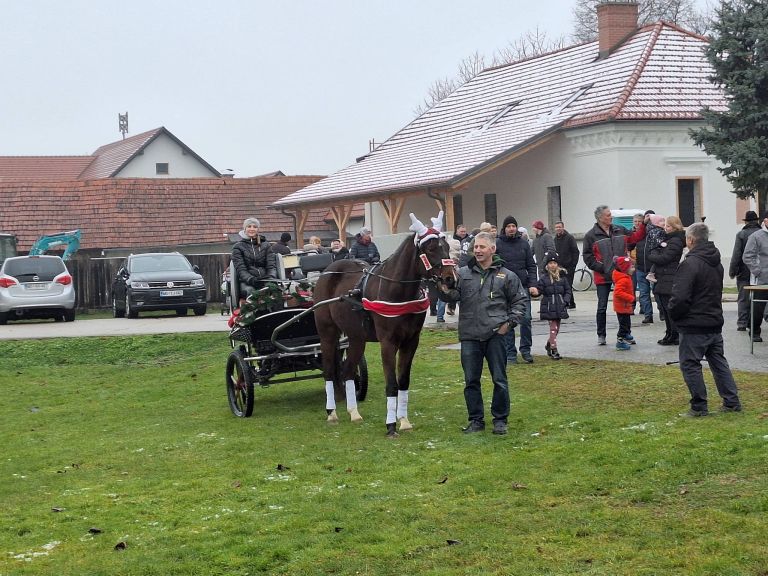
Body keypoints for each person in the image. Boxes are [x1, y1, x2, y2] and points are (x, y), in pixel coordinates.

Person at [438, 232, 527, 435]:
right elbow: (453, 296)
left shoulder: (507, 275)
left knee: (499, 379)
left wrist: (508, 324)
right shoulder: (463, 274)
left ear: (492, 250)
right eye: (475, 247)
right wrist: (443, 289)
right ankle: (476, 420)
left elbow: (520, 303)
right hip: (470, 335)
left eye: (482, 247)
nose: (477, 250)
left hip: (496, 335)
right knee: (471, 381)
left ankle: (500, 420)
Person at [668, 222, 742, 417]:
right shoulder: (716, 262)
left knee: (690, 364)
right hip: (713, 320)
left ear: (691, 240)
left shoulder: (690, 263)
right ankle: (732, 401)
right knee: (718, 362)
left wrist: (674, 314)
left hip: (694, 323)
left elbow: (680, 297)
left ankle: (699, 406)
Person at [582, 205, 646, 345]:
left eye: (610, 214)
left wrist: (644, 225)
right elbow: (587, 257)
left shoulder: (620, 229)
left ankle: (626, 333)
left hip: (621, 274)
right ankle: (601, 335)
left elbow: (634, 238)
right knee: (602, 306)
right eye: (607, 215)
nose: (610, 216)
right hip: (602, 276)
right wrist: (602, 268)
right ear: (600, 218)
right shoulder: (590, 235)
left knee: (624, 304)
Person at [495, 215, 538, 364]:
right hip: (504, 288)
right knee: (508, 320)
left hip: (523, 286)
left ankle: (526, 350)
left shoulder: (524, 244)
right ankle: (510, 353)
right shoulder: (498, 244)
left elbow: (531, 266)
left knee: (525, 319)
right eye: (508, 226)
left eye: (513, 226)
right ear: (504, 228)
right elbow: (494, 266)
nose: (511, 229)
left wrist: (533, 284)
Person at [647, 215, 686, 346]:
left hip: (669, 278)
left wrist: (652, 255)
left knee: (669, 309)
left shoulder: (675, 240)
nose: (665, 228)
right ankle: (670, 333)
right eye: (665, 226)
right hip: (664, 276)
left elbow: (665, 258)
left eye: (668, 226)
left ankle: (674, 335)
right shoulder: (671, 239)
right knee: (665, 308)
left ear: (675, 227)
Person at [730, 210, 762, 331]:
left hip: (744, 271)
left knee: (743, 298)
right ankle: (753, 323)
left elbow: (736, 254)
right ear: (757, 221)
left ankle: (742, 323)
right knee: (758, 297)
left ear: (746, 221)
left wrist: (732, 271)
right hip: (760, 271)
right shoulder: (762, 234)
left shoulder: (741, 234)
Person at [231, 217, 278, 300]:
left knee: (274, 290)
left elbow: (271, 265)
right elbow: (240, 268)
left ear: (258, 229)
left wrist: (271, 278)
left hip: (265, 279)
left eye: (255, 227)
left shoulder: (266, 245)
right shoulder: (238, 247)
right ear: (244, 229)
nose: (252, 229)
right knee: (250, 292)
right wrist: (251, 279)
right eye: (249, 226)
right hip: (248, 282)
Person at [536, 251, 572, 360]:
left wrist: (565, 301)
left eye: (554, 263)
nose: (552, 265)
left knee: (556, 329)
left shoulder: (562, 278)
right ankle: (554, 349)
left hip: (560, 306)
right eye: (550, 263)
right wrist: (534, 291)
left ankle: (549, 344)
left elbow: (568, 291)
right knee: (553, 328)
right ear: (547, 265)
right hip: (549, 307)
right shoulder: (543, 278)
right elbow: (539, 290)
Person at [742, 210, 768, 343]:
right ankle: (755, 331)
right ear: (765, 221)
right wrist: (758, 270)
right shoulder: (756, 236)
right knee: (758, 307)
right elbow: (747, 256)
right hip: (761, 278)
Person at [632, 210, 658, 324]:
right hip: (640, 268)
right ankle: (648, 315)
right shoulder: (638, 234)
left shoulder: (655, 233)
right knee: (643, 293)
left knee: (657, 292)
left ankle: (662, 312)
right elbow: (629, 245)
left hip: (653, 268)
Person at [553, 221, 579, 309]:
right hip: (559, 267)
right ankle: (570, 303)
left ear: (563, 227)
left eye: (559, 227)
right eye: (556, 227)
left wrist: (573, 265)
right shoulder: (555, 240)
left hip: (569, 267)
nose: (558, 229)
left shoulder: (569, 238)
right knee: (562, 285)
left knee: (568, 285)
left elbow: (575, 252)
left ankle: (568, 303)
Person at [612, 256, 636, 351]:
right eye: (631, 267)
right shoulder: (623, 279)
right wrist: (630, 298)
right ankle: (620, 341)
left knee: (627, 323)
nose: (633, 269)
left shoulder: (626, 277)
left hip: (625, 306)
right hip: (622, 306)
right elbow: (618, 292)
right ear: (625, 269)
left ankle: (626, 335)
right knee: (623, 325)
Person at [642, 214, 667, 284]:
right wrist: (661, 243)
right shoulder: (655, 230)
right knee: (656, 261)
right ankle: (651, 274)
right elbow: (655, 238)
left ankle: (652, 274)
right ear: (656, 223)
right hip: (655, 248)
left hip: (656, 248)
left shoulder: (658, 229)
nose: (664, 223)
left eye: (664, 221)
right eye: (661, 221)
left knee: (657, 261)